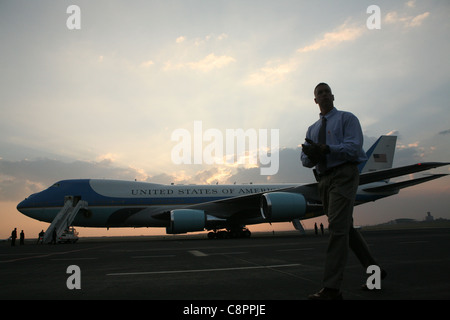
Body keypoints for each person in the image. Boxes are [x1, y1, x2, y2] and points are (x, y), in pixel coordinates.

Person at [301, 82, 386, 300]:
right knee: (346, 229)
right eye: (320, 93)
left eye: (327, 91)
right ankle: (375, 271)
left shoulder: (347, 119)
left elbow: (354, 148)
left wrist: (327, 149)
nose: (324, 95)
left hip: (344, 174)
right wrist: (311, 154)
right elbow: (304, 161)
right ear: (315, 100)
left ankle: (331, 289)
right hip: (324, 180)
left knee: (337, 228)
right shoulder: (312, 129)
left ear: (333, 96)